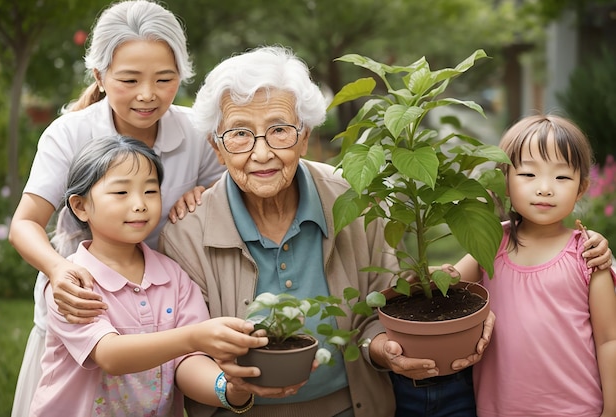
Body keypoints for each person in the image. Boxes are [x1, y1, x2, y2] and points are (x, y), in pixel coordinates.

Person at [156, 45, 486, 417]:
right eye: (239, 134)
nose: (261, 153)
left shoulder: (356, 201)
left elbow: (382, 307)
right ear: (217, 148)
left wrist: (384, 349)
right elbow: (186, 352)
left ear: (305, 135)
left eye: (279, 130)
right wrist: (229, 388)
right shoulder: (186, 233)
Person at [8, 1, 224, 415]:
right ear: (100, 76)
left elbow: (229, 197)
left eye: (165, 79)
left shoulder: (196, 132)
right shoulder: (71, 133)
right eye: (129, 79)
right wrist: (59, 270)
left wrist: (204, 196)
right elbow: (25, 223)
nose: (148, 94)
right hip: (87, 316)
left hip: (164, 315)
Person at [29, 136, 266, 416]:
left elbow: (188, 361)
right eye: (121, 193)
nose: (140, 204)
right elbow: (110, 355)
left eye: (151, 191)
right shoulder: (71, 286)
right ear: (81, 206)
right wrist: (194, 337)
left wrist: (227, 389)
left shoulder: (173, 276)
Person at [451, 115, 616, 417]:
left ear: (581, 188)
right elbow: (443, 289)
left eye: (562, 177)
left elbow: (609, 339)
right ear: (505, 182)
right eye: (528, 174)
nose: (544, 188)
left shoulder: (588, 255)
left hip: (577, 410)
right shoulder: (492, 244)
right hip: (499, 409)